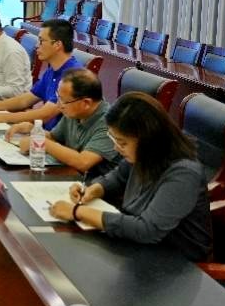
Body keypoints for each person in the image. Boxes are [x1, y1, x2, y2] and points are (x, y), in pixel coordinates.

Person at [49, 92, 212, 262]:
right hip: (137, 248)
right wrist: (93, 189)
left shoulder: (184, 173)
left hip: (176, 263)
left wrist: (77, 212)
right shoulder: (145, 154)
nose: (116, 148)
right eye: (114, 139)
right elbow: (119, 177)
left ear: (148, 139)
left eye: (122, 143)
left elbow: (147, 230)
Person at [0, 19, 81, 129]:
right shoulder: (52, 70)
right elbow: (24, 100)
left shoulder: (73, 75)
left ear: (57, 45)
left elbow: (45, 114)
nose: (37, 46)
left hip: (57, 139)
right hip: (43, 132)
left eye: (41, 41)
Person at [7, 68, 120, 180]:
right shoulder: (74, 111)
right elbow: (54, 137)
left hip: (96, 185)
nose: (59, 105)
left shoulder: (109, 123)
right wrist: (33, 130)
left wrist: (41, 141)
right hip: (71, 176)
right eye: (58, 98)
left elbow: (83, 162)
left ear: (86, 103)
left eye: (63, 101)